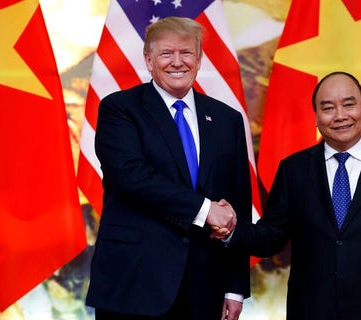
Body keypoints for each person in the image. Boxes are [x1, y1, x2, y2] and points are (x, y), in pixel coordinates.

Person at [219, 71, 361, 319]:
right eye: (328, 108)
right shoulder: (294, 169)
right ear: (316, 117)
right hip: (312, 309)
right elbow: (271, 237)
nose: (340, 116)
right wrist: (230, 227)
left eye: (349, 104)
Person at [85, 17, 251, 320]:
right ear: (149, 61)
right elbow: (131, 177)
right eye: (166, 53)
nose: (178, 62)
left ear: (199, 59)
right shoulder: (119, 109)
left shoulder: (228, 119)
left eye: (187, 53)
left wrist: (235, 287)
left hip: (205, 287)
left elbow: (237, 202)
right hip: (134, 284)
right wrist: (205, 210)